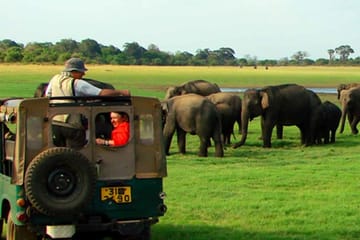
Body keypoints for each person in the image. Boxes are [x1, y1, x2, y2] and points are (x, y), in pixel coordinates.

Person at [46, 57, 131, 149]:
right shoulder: (77, 83)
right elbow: (101, 93)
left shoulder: (54, 79)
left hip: (55, 123)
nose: (83, 74)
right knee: (77, 153)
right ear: (74, 71)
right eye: (81, 72)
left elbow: (47, 95)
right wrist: (121, 92)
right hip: (72, 125)